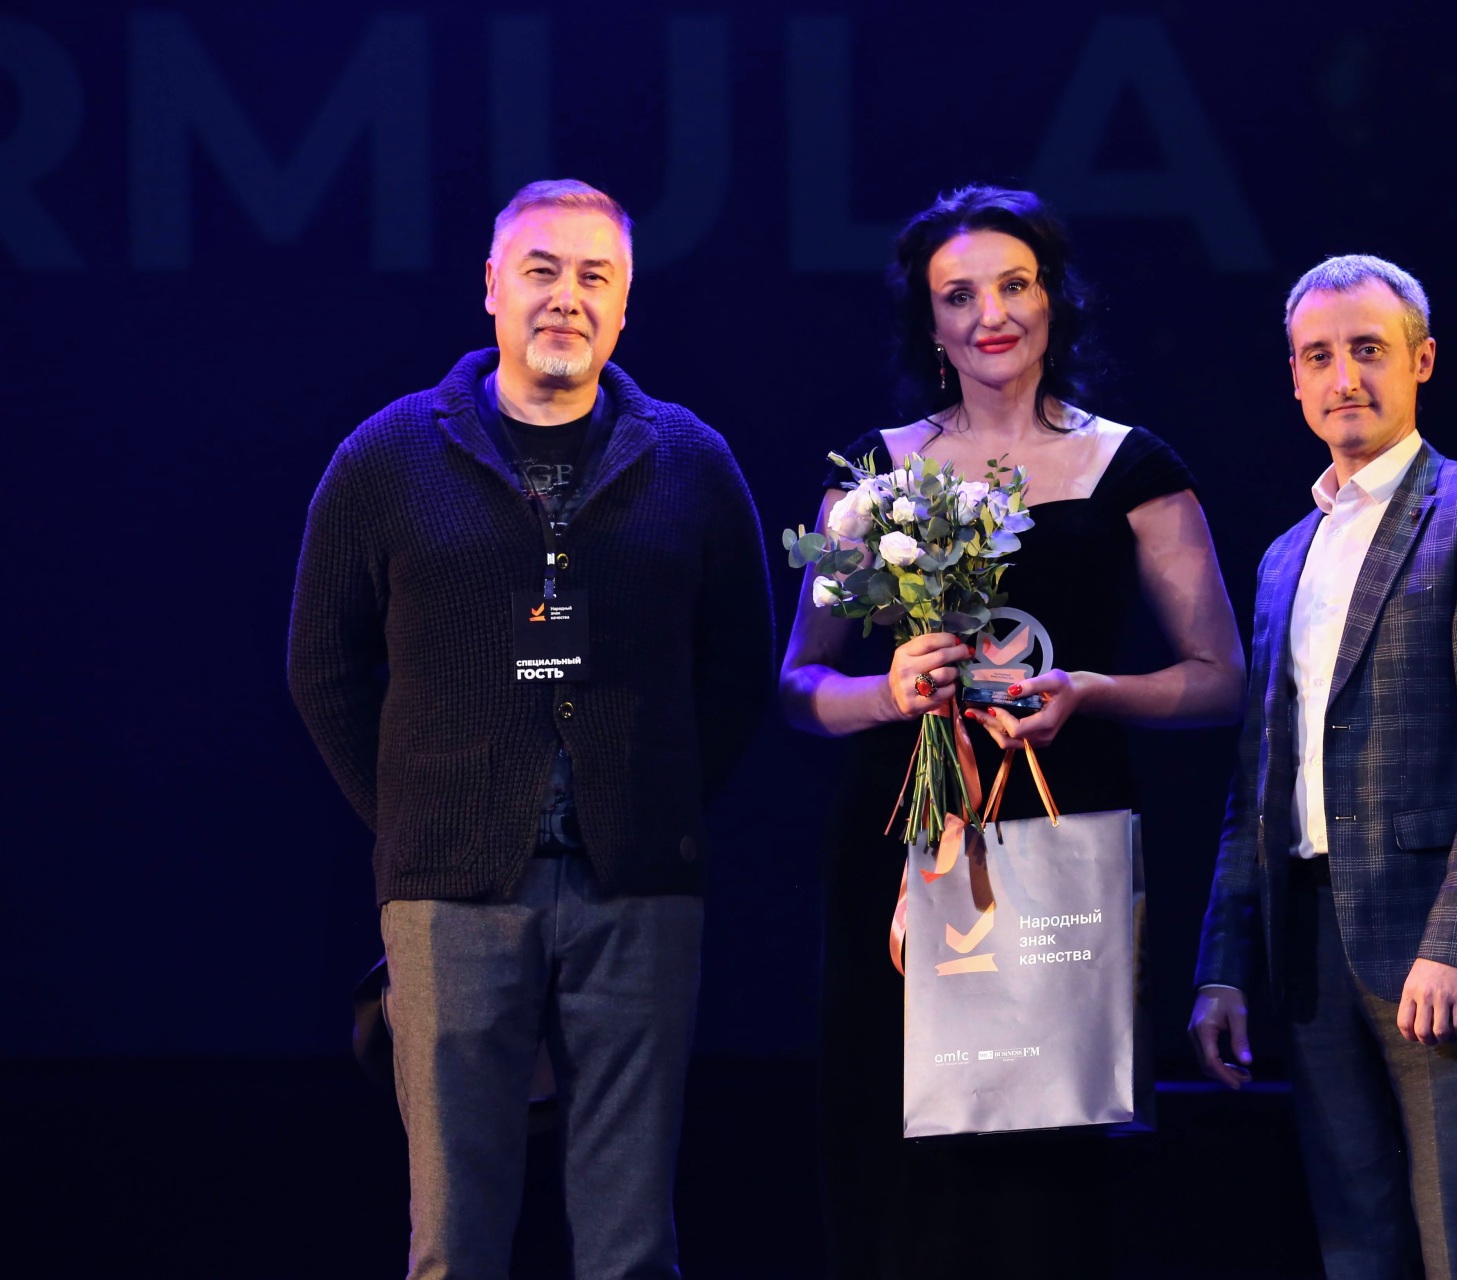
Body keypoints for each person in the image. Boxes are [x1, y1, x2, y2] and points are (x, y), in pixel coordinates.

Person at [288, 178, 773, 1279]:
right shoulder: (388, 456)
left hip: (639, 884)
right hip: (450, 891)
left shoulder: (691, 460)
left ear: (625, 305)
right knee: (453, 1237)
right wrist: (414, 816)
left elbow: (738, 668)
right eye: (542, 270)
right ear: (492, 287)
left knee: (631, 1239)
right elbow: (321, 666)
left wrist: (658, 799)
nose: (567, 296)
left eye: (595, 276)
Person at [779, 184, 1245, 1279]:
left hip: (1059, 839)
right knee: (897, 1152)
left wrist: (1090, 688)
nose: (991, 313)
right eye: (959, 295)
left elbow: (1220, 679)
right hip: (902, 855)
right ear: (930, 323)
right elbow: (799, 685)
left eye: (1014, 285)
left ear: (1054, 299)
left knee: (1043, 1163)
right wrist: (890, 692)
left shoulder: (1132, 467)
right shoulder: (877, 474)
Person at [1188, 254, 1457, 1279]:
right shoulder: (1284, 556)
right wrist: (1224, 962)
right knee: (1356, 1248)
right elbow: (1258, 780)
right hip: (1309, 945)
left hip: (1436, 946)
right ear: (1294, 378)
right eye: (1319, 356)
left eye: (1368, 349)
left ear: (1421, 360)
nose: (1344, 376)